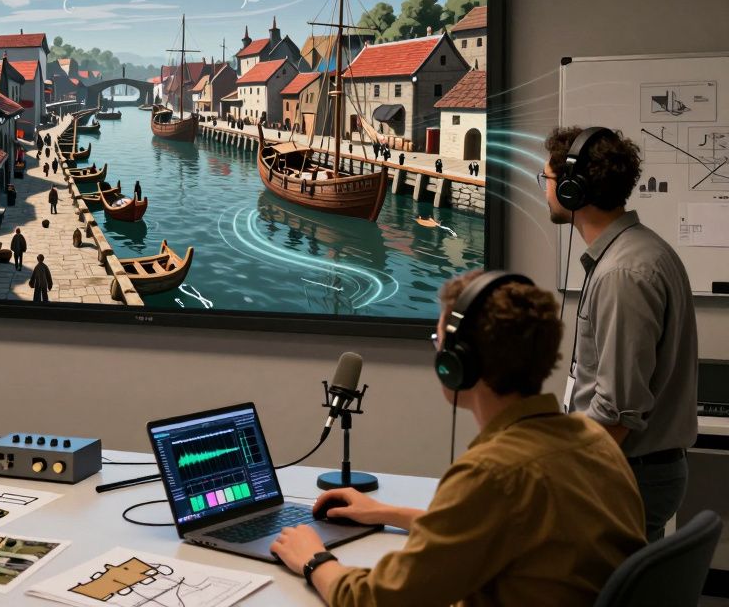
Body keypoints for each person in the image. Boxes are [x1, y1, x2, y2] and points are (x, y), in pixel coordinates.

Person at [271, 270, 645, 606]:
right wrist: (384, 512)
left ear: (458, 362)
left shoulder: (493, 473)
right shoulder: (593, 439)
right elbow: (492, 528)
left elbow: (376, 599)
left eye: (439, 341)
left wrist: (314, 559)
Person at [542, 126, 697, 541]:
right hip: (631, 472)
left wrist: (560, 471)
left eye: (548, 179)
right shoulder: (638, 252)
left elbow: (617, 409)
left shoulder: (623, 274)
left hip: (622, 475)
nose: (546, 190)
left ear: (574, 190)